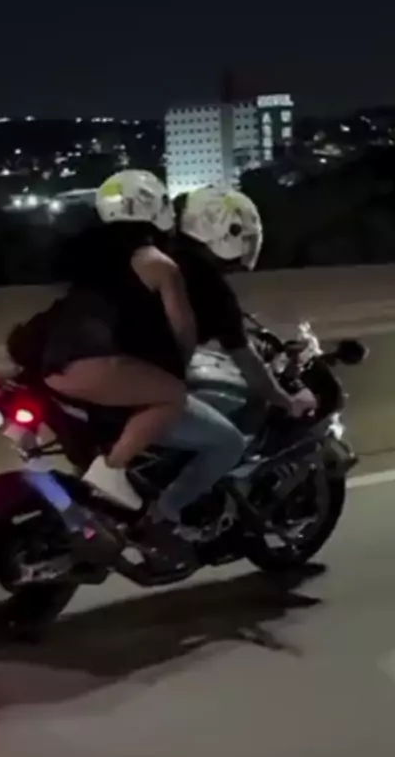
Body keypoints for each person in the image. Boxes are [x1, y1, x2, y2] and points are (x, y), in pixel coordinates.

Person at [145, 184, 317, 542]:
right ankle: (164, 516)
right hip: (146, 386)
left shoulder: (162, 258)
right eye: (244, 236)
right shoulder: (206, 283)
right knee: (230, 442)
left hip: (118, 371)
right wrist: (284, 400)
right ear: (224, 230)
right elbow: (246, 358)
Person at [17, 170, 197, 511]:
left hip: (49, 360)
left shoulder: (89, 257)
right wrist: (178, 368)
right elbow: (183, 332)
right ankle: (112, 469)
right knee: (173, 394)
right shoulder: (159, 264)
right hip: (93, 362)